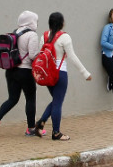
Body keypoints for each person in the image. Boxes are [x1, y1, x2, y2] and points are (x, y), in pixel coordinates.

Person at [33, 12, 92, 141]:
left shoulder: (43, 36)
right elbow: (72, 57)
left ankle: (41, 123)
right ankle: (56, 133)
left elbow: (40, 54)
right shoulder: (65, 37)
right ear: (62, 23)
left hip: (47, 73)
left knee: (55, 100)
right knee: (58, 102)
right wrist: (85, 73)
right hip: (60, 73)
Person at [0, 11, 42, 135]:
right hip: (25, 71)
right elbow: (33, 55)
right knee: (30, 99)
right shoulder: (31, 35)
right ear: (31, 21)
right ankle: (31, 129)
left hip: (11, 71)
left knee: (12, 98)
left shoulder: (15, 32)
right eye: (36, 20)